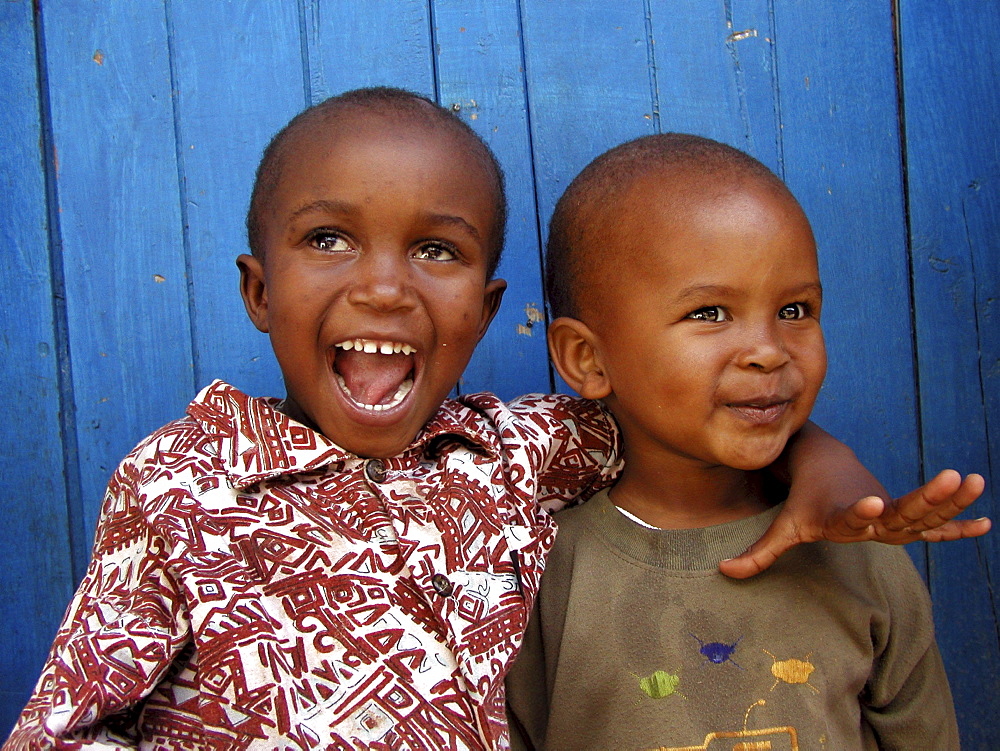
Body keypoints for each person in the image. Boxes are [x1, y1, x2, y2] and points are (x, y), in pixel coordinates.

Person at [6, 91, 984, 751]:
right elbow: (66, 722)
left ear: (483, 305)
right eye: (329, 238)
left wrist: (824, 467)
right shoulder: (181, 482)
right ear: (260, 290)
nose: (384, 285)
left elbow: (698, 413)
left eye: (435, 249)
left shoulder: (510, 454)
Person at [505, 133, 980, 750]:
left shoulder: (863, 553)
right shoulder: (537, 576)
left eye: (795, 310)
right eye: (709, 313)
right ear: (588, 358)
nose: (768, 350)